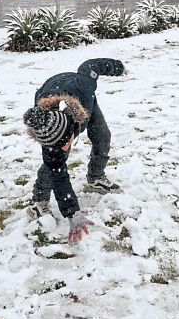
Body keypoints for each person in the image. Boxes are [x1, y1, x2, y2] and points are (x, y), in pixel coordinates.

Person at [22, 57, 126, 244]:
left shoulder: (83, 87)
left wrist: (118, 68)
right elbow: (58, 174)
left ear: (73, 130)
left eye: (66, 143)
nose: (64, 148)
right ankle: (39, 200)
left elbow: (90, 66)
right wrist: (73, 213)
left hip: (81, 100)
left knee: (103, 137)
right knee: (53, 164)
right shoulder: (49, 132)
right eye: (60, 146)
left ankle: (95, 177)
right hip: (53, 93)